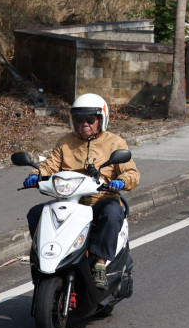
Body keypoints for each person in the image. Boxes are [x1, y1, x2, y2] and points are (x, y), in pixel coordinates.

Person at [23, 93, 139, 290]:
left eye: (89, 119)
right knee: (36, 213)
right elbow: (49, 165)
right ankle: (40, 263)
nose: (84, 123)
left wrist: (121, 181)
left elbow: (131, 173)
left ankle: (100, 264)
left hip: (101, 200)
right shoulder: (65, 142)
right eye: (79, 119)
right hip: (70, 202)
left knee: (112, 214)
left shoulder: (115, 143)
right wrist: (36, 174)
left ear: (101, 119)